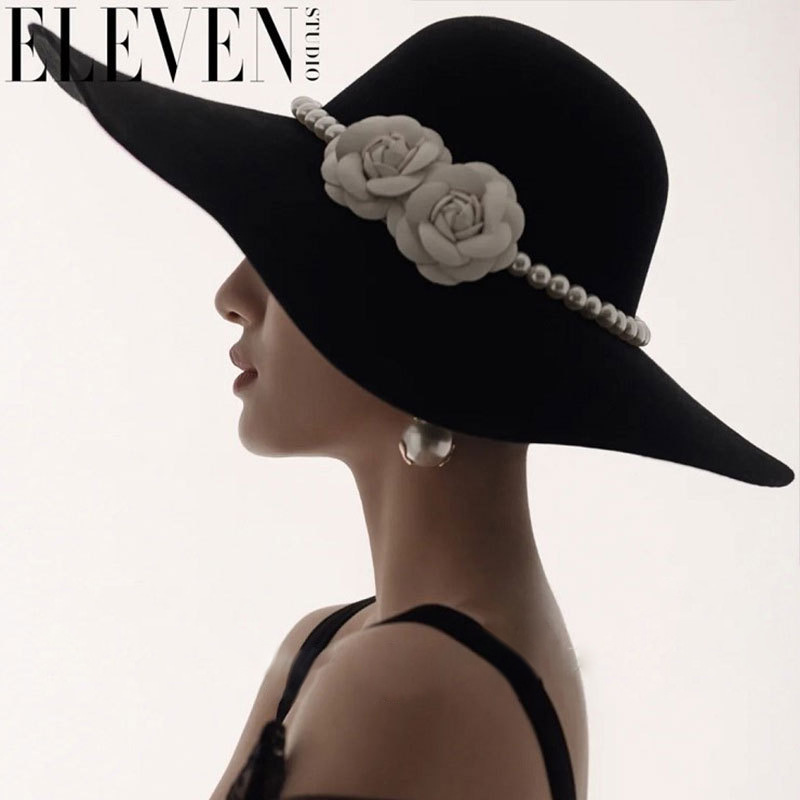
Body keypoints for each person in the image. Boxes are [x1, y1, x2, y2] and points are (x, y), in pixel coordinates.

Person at [26, 13, 794, 800]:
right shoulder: (336, 646)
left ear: (421, 341)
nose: (233, 295)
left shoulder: (410, 682)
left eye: (292, 259)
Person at [210, 256, 588, 799]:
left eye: (291, 248)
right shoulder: (324, 643)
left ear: (430, 316)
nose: (232, 296)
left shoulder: (407, 681)